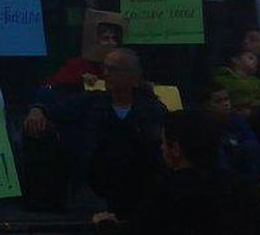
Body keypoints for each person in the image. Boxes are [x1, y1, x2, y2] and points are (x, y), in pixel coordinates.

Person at [91, 111, 260, 235]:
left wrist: (105, 227)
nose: (161, 148)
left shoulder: (166, 194)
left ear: (175, 149)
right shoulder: (242, 190)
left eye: (163, 142)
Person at [23, 47, 165, 219]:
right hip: (96, 185)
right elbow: (56, 109)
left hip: (140, 186)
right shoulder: (93, 102)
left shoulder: (152, 109)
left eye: (113, 69)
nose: (105, 74)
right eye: (104, 68)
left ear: (132, 76)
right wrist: (37, 110)